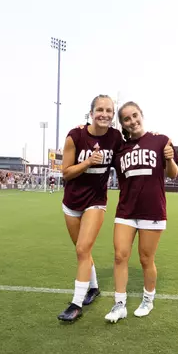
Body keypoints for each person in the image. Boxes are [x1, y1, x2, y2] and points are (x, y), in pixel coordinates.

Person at [104, 101, 178, 323]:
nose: (132, 121)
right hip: (126, 210)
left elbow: (173, 174)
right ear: (123, 124)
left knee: (146, 259)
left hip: (152, 210)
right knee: (120, 256)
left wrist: (168, 157)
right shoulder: (120, 148)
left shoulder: (160, 140)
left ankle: (148, 300)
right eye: (126, 119)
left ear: (141, 115)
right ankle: (119, 305)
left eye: (134, 116)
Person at [57, 95, 124, 322]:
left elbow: (129, 153)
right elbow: (65, 173)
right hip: (71, 203)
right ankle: (93, 288)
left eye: (109, 111)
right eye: (100, 110)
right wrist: (87, 163)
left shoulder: (115, 137)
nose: (104, 114)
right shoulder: (75, 136)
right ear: (91, 113)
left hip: (96, 201)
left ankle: (76, 304)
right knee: (82, 250)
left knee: (82, 249)